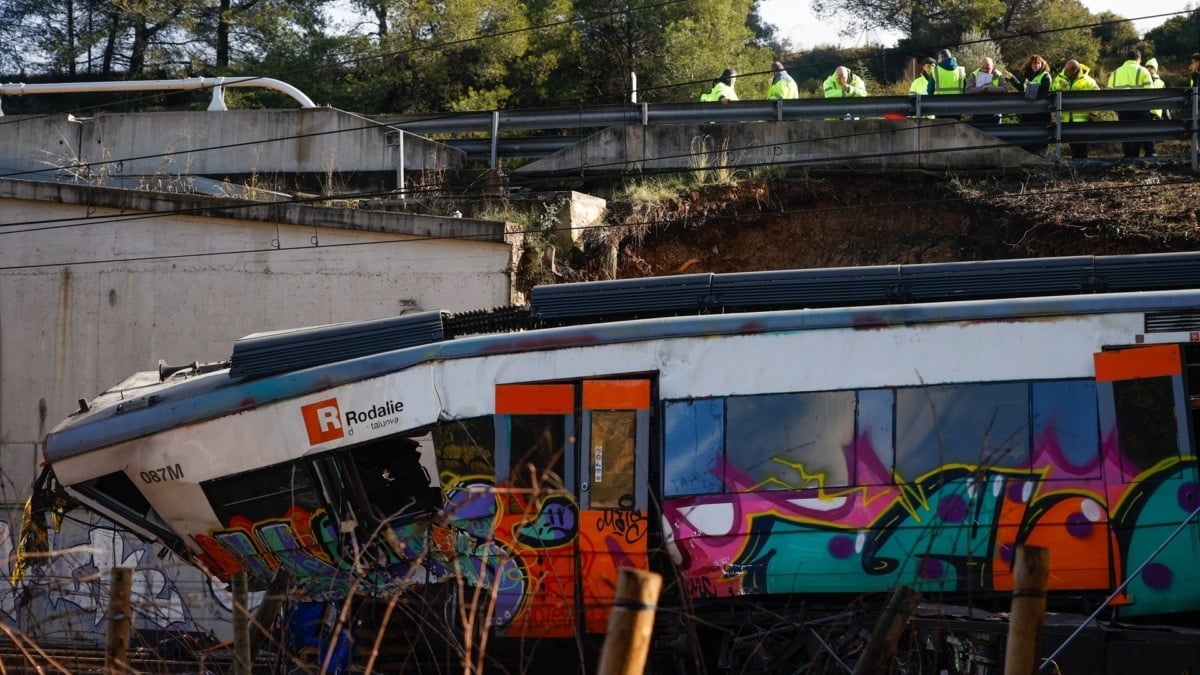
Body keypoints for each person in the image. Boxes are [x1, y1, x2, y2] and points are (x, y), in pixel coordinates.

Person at [1107, 48, 1154, 158]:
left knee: (1126, 133)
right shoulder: (1143, 71)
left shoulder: (1115, 72)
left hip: (1122, 109)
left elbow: (1109, 93)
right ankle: (1147, 156)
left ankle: (1129, 158)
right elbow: (1151, 92)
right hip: (1140, 109)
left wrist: (1115, 108)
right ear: (1139, 59)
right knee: (1143, 132)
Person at [1051, 60, 1100, 159]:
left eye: (1069, 71)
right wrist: (1060, 86)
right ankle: (1075, 165)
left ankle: (1083, 164)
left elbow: (1098, 97)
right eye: (1066, 70)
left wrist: (1093, 114)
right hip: (1066, 119)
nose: (1066, 73)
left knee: (1082, 145)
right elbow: (1052, 89)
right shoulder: (1059, 78)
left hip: (1083, 119)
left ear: (1075, 71)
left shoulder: (1089, 81)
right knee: (1072, 144)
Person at [1009, 54, 1052, 155]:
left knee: (1040, 139)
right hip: (1027, 112)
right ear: (1030, 65)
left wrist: (1031, 86)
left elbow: (1043, 90)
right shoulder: (1027, 76)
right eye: (1034, 63)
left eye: (1038, 63)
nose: (1036, 65)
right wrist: (1012, 79)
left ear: (1042, 64)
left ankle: (1040, 159)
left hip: (1041, 112)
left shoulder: (1045, 76)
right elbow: (1022, 89)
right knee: (1026, 137)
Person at [963, 57, 1010, 124]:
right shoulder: (974, 74)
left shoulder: (999, 75)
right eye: (983, 68)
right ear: (980, 66)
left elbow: (1005, 89)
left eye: (987, 68)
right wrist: (981, 89)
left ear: (992, 67)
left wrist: (990, 89)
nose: (985, 70)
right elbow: (968, 90)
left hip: (995, 110)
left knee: (995, 132)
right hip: (978, 109)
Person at [932, 49, 965, 119]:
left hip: (939, 108)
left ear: (941, 58)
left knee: (941, 129)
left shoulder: (935, 71)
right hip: (957, 109)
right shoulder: (961, 71)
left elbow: (930, 90)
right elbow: (965, 89)